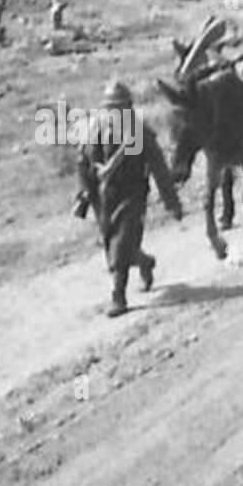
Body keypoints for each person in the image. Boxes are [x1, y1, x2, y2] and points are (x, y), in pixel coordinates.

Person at [74, 80, 183, 317]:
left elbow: (159, 168)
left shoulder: (139, 134)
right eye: (111, 107)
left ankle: (118, 296)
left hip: (133, 194)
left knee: (121, 243)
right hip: (104, 197)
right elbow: (83, 163)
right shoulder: (94, 131)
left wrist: (171, 202)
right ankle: (143, 261)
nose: (116, 112)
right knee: (111, 242)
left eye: (121, 107)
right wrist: (83, 193)